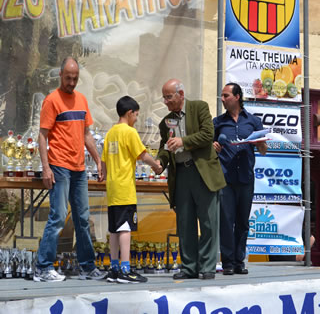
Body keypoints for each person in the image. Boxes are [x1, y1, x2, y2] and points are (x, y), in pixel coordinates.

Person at [34, 57, 106, 282]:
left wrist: (98, 160)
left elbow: (86, 134)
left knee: (83, 218)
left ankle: (87, 266)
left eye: (75, 78)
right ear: (60, 75)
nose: (72, 82)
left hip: (79, 168)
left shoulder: (82, 100)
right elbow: (42, 136)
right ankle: (43, 268)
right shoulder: (52, 100)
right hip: (59, 167)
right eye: (68, 78)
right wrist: (46, 168)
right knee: (57, 216)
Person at [156, 78, 226, 280]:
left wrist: (183, 141)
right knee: (185, 223)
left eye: (169, 97)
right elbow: (165, 147)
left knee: (208, 223)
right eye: (164, 97)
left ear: (181, 94)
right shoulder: (165, 122)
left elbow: (207, 134)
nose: (166, 101)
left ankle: (207, 267)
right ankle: (189, 267)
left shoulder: (199, 108)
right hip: (181, 174)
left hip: (203, 172)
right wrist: (160, 162)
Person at [101, 96, 161, 283]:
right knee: (125, 228)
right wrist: (156, 165)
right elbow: (142, 154)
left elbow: (103, 161)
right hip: (125, 189)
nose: (136, 118)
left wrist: (103, 175)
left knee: (114, 230)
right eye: (136, 115)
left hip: (112, 189)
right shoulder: (130, 132)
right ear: (129, 113)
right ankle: (126, 269)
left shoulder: (111, 132)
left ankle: (114, 267)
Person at [212, 83, 267, 275]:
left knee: (243, 222)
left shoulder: (253, 121)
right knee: (226, 221)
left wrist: (260, 143)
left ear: (237, 97)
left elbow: (263, 150)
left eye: (226, 95)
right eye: (222, 96)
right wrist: (214, 147)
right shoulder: (218, 122)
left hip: (245, 177)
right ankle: (227, 263)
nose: (223, 99)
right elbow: (210, 147)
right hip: (225, 177)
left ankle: (239, 262)